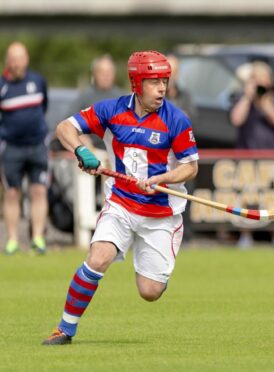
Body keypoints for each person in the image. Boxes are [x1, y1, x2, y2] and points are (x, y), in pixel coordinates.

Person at [42, 50, 198, 345]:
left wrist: (162, 179)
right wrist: (82, 150)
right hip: (122, 204)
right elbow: (65, 128)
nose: (162, 88)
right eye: (154, 82)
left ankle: (158, 266)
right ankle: (65, 328)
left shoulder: (176, 120)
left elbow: (190, 167)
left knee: (149, 291)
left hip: (160, 214)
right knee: (98, 257)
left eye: (164, 80)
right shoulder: (111, 110)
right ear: (136, 84)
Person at [229, 61, 274, 249]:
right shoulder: (242, 98)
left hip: (272, 158)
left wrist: (265, 103)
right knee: (248, 198)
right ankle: (245, 235)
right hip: (247, 157)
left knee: (273, 197)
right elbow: (236, 119)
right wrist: (248, 97)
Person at [0, 41, 49, 255]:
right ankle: (12, 240)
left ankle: (37, 237)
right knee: (12, 193)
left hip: (37, 145)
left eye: (21, 58)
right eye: (14, 59)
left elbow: (43, 106)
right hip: (11, 148)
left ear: (26, 60)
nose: (18, 63)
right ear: (8, 62)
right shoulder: (2, 86)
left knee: (38, 190)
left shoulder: (38, 81)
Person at [69, 54, 125, 150]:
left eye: (109, 72)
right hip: (93, 151)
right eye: (102, 72)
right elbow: (67, 124)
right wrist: (81, 138)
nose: (105, 76)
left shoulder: (123, 97)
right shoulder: (85, 97)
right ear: (95, 73)